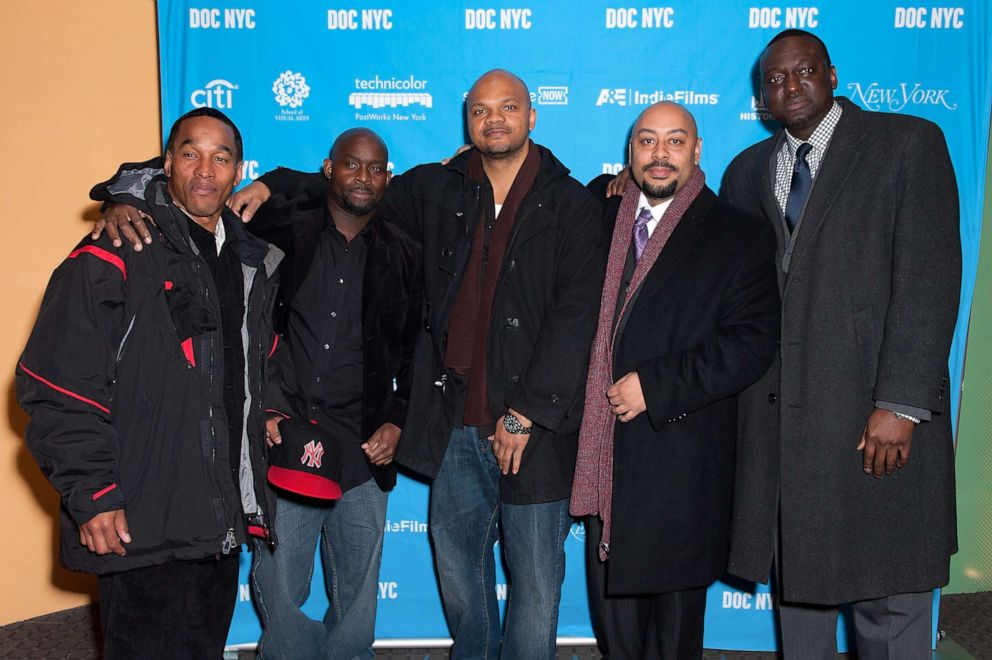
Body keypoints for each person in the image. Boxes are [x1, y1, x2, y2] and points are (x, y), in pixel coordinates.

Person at [222, 69, 605, 659]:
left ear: (533, 117)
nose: (494, 119)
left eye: (508, 108)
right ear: (467, 120)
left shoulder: (571, 203)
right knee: (460, 577)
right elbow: (351, 190)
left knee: (535, 586)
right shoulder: (436, 188)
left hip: (532, 430)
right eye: (481, 110)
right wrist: (273, 185)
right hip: (450, 425)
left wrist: (526, 413)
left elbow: (575, 320)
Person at [95, 127, 421, 659]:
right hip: (281, 438)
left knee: (359, 604)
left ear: (388, 177)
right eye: (350, 165)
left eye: (375, 169)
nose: (362, 177)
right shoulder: (279, 228)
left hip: (363, 449)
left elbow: (414, 350)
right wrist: (120, 201)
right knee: (280, 594)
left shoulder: (404, 252)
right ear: (327, 169)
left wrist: (398, 418)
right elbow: (196, 189)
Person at [720, 29, 960, 659]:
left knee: (891, 600)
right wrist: (616, 193)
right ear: (761, 98)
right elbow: (718, 273)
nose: (789, 86)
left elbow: (930, 278)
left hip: (874, 418)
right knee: (802, 604)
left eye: (802, 72)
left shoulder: (906, 144)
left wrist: (902, 405)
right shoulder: (746, 173)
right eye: (774, 79)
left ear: (832, 74)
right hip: (786, 430)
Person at [16, 107, 281, 658]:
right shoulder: (116, 248)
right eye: (190, 154)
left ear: (238, 171)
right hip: (137, 521)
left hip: (215, 521)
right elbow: (57, 384)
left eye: (220, 157)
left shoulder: (249, 259)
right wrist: (91, 496)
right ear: (166, 164)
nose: (205, 169)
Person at [573, 102, 779, 659]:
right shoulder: (598, 213)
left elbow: (752, 342)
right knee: (617, 639)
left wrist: (658, 386)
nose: (659, 155)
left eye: (675, 141)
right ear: (629, 151)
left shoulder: (739, 234)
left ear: (697, 150)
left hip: (680, 466)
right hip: (605, 466)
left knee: (673, 641)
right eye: (646, 141)